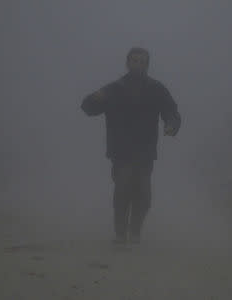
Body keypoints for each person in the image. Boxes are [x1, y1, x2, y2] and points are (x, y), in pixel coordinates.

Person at [81, 47, 181, 245]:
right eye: (134, 61)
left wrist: (171, 124)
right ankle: (120, 235)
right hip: (121, 150)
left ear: (147, 65)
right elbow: (89, 108)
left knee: (144, 195)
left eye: (142, 61)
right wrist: (93, 99)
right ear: (128, 63)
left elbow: (171, 111)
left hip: (145, 150)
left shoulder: (156, 89)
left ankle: (135, 232)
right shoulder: (115, 88)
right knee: (123, 190)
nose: (138, 64)